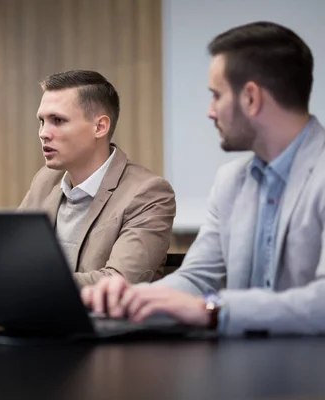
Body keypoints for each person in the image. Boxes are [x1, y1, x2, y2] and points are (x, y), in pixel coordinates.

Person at [82, 21, 325, 336]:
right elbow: (196, 279)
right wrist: (136, 297)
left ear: (251, 98)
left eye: (216, 96)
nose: (210, 111)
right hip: (242, 372)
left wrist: (213, 310)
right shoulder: (230, 181)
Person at [0, 70, 176, 307]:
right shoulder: (46, 180)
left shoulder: (149, 192)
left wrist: (2, 287)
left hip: (110, 345)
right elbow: (8, 264)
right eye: (42, 121)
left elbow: (117, 282)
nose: (43, 133)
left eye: (57, 120)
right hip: (43, 331)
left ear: (100, 126)